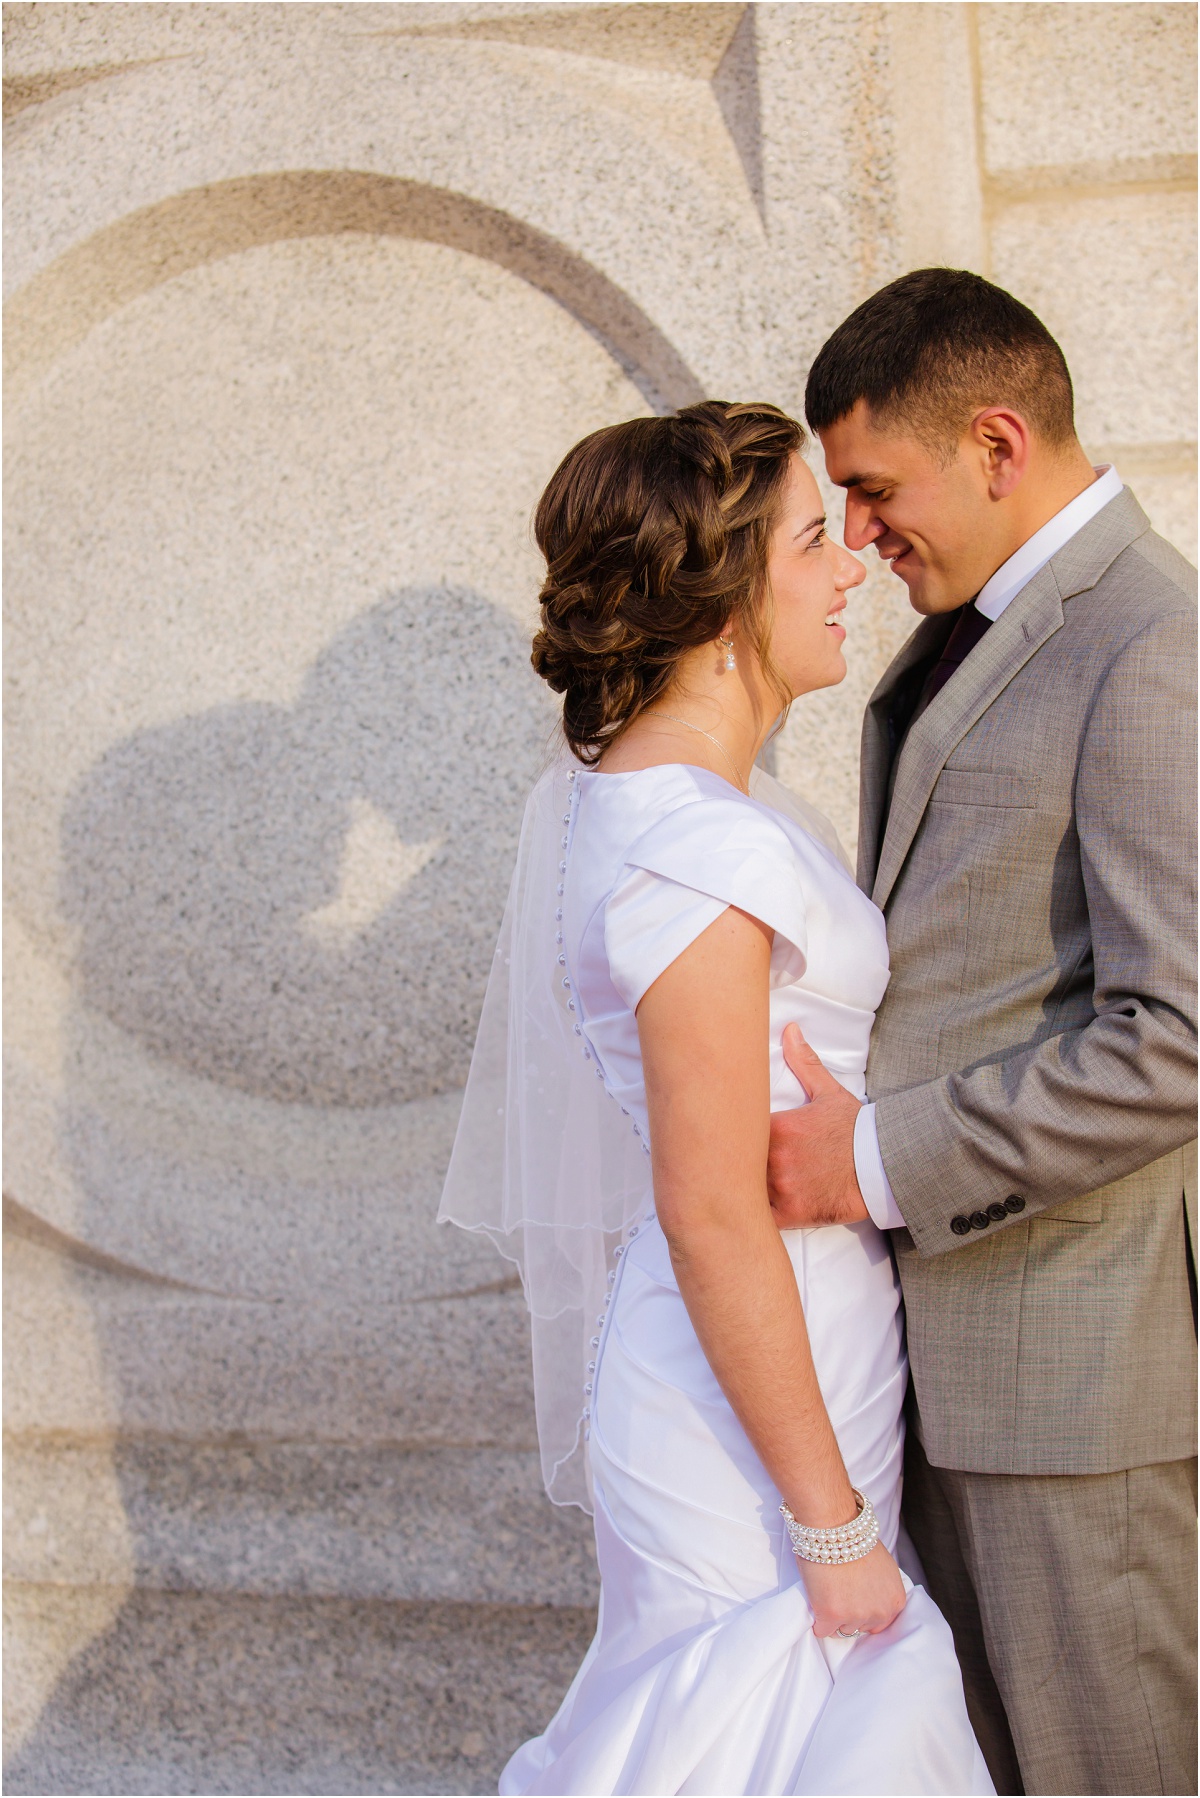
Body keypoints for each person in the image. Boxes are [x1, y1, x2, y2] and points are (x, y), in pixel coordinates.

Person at [441, 400, 993, 1794]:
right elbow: (708, 1202)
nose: (849, 565)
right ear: (725, 595)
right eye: (813, 540)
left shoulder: (674, 808)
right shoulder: (694, 847)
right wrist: (830, 1527)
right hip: (752, 1428)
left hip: (795, 1370)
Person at [766, 268, 1197, 1797]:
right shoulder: (981, 630)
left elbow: (1179, 1036)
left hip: (1078, 1388)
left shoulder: (1152, 645)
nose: (863, 539)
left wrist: (873, 1158)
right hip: (943, 1365)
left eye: (876, 492)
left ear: (998, 442)